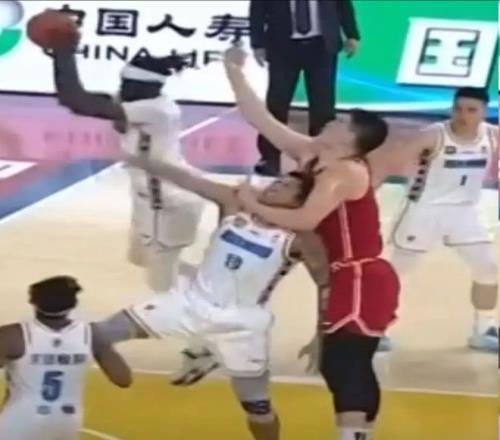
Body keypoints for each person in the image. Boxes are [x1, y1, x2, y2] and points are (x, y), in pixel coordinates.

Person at [223, 46, 397, 440]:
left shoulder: (345, 171)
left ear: (351, 139)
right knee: (342, 362)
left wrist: (253, 203)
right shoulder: (313, 156)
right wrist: (233, 70)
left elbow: (306, 219)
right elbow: (260, 118)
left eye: (342, 121)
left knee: (345, 362)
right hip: (345, 274)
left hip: (361, 274)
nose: (332, 119)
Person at [95, 156, 331, 440]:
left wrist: (321, 334)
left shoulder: (301, 239)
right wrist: (144, 161)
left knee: (258, 407)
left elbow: (326, 285)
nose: (276, 185)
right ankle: (126, 377)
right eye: (279, 180)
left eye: (287, 187)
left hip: (241, 326)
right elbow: (189, 180)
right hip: (189, 303)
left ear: (300, 202)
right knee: (98, 334)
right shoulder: (236, 203)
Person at [50, 22, 212, 384]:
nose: (119, 89)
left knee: (163, 287)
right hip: (149, 201)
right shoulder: (140, 100)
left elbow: (78, 102)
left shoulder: (155, 109)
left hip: (168, 204)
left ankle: (203, 348)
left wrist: (63, 52)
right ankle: (208, 284)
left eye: (125, 84)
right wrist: (60, 56)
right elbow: (71, 98)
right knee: (148, 262)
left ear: (140, 87)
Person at [378, 87, 498, 353]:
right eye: (458, 108)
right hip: (424, 210)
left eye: (471, 110)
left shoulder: (492, 136)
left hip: (466, 211)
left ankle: (483, 330)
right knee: (396, 271)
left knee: (488, 268)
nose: (463, 115)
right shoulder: (432, 135)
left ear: (484, 112)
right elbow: (387, 162)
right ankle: (376, 327)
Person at [0, 276, 131, 440]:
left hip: (20, 418)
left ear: (32, 301)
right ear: (74, 304)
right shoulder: (92, 334)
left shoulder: (11, 335)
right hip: (67, 421)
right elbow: (123, 379)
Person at [249, 0, 360, 176]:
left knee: (323, 107)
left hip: (322, 46)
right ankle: (269, 158)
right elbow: (257, 10)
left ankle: (320, 157)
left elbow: (343, 5)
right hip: (282, 46)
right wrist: (257, 43)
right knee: (277, 105)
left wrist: (352, 34)